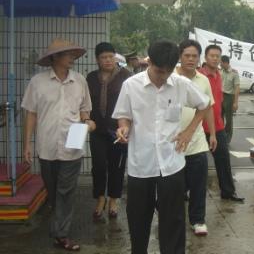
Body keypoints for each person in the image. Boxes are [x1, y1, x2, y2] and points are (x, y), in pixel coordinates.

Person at [112, 40, 210, 254]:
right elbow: (123, 116)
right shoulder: (131, 85)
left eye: (167, 72)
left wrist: (188, 131)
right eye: (158, 71)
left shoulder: (180, 84)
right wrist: (123, 128)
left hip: (171, 161)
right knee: (138, 218)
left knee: (173, 219)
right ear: (150, 62)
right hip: (141, 163)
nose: (162, 76)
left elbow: (204, 105)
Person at [22, 38, 95, 251]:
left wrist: (87, 122)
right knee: (53, 191)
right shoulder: (37, 82)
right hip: (47, 147)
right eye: (67, 54)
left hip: (72, 147)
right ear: (54, 57)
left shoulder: (80, 81)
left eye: (73, 54)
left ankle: (61, 234)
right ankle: (59, 224)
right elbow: (31, 115)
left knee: (65, 191)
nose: (71, 57)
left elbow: (85, 110)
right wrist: (26, 145)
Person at [175, 39, 217, 236]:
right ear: (180, 57)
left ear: (199, 58)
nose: (191, 59)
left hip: (198, 140)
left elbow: (207, 107)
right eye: (187, 55)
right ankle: (172, 219)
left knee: (199, 183)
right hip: (173, 142)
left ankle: (198, 220)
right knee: (175, 186)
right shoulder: (170, 77)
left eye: (194, 56)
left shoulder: (203, 80)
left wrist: (213, 134)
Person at [86, 42, 132, 221]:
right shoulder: (90, 78)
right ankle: (100, 199)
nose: (108, 60)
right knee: (98, 166)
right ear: (97, 60)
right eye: (103, 57)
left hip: (118, 132)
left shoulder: (126, 76)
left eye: (110, 57)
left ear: (115, 57)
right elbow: (85, 102)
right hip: (97, 130)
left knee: (117, 166)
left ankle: (113, 200)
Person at [199, 45, 245, 203]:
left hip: (217, 126)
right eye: (212, 55)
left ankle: (227, 191)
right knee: (194, 163)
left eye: (217, 56)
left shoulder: (219, 74)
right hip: (198, 126)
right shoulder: (198, 75)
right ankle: (185, 192)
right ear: (205, 57)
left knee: (223, 160)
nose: (215, 58)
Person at [220, 55, 240, 144]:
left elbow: (237, 88)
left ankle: (227, 138)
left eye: (221, 62)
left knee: (228, 120)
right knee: (219, 117)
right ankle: (220, 135)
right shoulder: (220, 72)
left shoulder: (234, 73)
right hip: (221, 96)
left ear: (225, 63)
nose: (219, 64)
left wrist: (235, 102)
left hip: (229, 97)